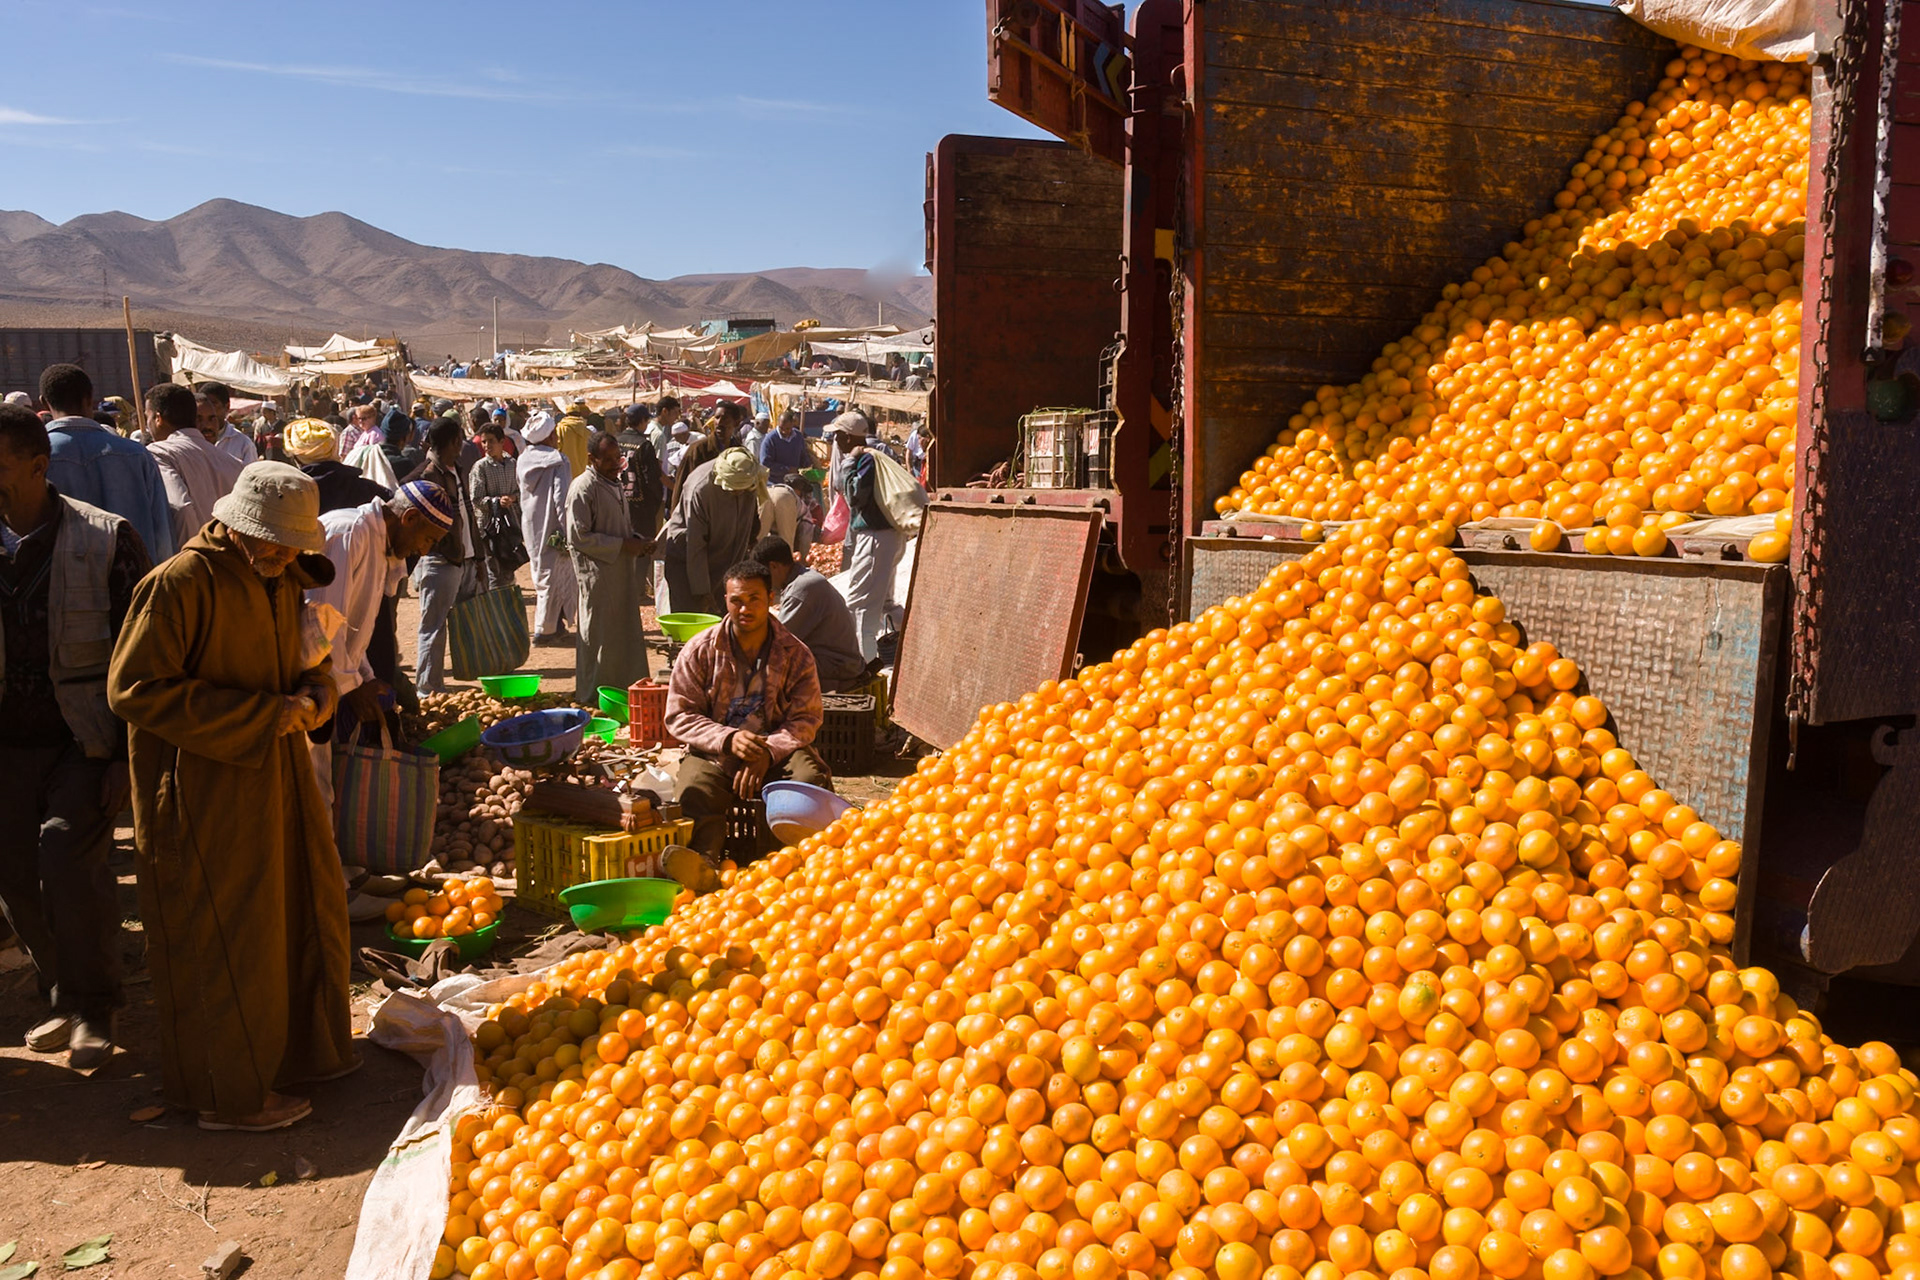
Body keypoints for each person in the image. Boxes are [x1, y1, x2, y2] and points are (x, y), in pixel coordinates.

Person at [108, 462, 355, 1132]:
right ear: (237, 525)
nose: (282, 555)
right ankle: (228, 1094)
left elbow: (311, 664)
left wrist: (315, 697)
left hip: (277, 776)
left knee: (299, 907)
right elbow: (133, 690)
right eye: (271, 542)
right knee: (226, 932)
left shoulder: (279, 577)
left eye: (291, 546)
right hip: (203, 789)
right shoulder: (179, 584)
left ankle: (296, 1054)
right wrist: (256, 716)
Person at [0, 404, 149, 1070]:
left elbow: (138, 658)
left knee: (64, 859)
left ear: (39, 467)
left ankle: (96, 1004)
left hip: (83, 739)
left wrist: (124, 752)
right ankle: (61, 995)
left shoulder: (106, 540)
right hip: (8, 744)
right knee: (14, 877)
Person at [665, 558, 828, 875]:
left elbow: (806, 718)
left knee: (809, 782)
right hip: (716, 752)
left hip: (778, 751)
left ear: (771, 598)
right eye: (736, 600)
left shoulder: (795, 653)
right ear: (724, 601)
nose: (745, 609)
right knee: (693, 789)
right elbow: (680, 713)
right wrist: (727, 739)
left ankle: (797, 866)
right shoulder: (700, 650)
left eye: (754, 599)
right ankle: (704, 866)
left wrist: (767, 751)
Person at [306, 481, 450, 805]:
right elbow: (320, 624)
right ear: (409, 518)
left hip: (330, 682)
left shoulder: (379, 544)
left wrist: (366, 678)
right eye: (428, 539)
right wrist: (353, 686)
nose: (424, 551)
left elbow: (354, 632)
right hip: (309, 685)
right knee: (312, 794)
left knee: (326, 792)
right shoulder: (350, 533)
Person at [39, 363, 174, 564]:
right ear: (89, 398)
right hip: (133, 585)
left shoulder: (37, 459)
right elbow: (162, 536)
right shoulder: (137, 455)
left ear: (43, 402)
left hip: (60, 587)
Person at [569, 432, 654, 700]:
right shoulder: (583, 488)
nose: (616, 463)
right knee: (599, 635)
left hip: (621, 571)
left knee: (623, 633)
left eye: (618, 458)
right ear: (592, 459)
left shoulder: (614, 483)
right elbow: (578, 537)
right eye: (608, 460)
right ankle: (592, 695)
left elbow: (621, 528)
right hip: (598, 574)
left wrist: (638, 542)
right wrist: (622, 545)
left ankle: (621, 690)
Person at [407, 420, 485, 694]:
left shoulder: (457, 470)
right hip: (440, 561)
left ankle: (437, 683)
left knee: (458, 622)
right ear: (453, 442)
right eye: (459, 440)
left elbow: (468, 517)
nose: (462, 445)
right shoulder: (424, 476)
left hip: (464, 559)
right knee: (434, 626)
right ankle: (427, 688)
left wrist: (479, 557)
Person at [659, 447, 766, 616]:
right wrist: (702, 591)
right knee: (693, 618)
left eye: (742, 489)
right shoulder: (701, 489)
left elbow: (751, 522)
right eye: (734, 490)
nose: (739, 493)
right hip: (688, 560)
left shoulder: (751, 474)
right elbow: (695, 545)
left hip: (725, 555)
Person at [835, 414, 908, 661]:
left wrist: (847, 465)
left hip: (876, 538)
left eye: (837, 435)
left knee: (860, 607)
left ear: (847, 437)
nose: (834, 440)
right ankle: (907, 651)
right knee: (887, 603)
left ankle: (863, 667)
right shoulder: (880, 454)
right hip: (889, 536)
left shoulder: (865, 459)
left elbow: (855, 497)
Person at [753, 535, 867, 693]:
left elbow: (776, 641)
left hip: (839, 668)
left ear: (774, 566)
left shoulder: (801, 589)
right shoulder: (804, 577)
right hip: (841, 662)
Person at [145, 383, 247, 550]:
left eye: (147, 416)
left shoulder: (159, 454)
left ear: (158, 419)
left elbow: (180, 508)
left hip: (196, 563)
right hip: (231, 561)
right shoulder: (233, 463)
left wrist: (190, 558)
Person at [518, 411, 577, 642]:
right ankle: (545, 629)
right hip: (554, 526)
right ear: (551, 435)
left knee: (542, 572)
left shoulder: (523, 459)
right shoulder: (558, 460)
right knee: (555, 576)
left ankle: (556, 624)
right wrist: (569, 529)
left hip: (532, 524)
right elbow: (562, 500)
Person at [468, 423, 521, 591]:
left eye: (491, 441)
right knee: (493, 567)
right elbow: (476, 499)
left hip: (510, 525)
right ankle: (497, 602)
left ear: (501, 441)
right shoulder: (480, 467)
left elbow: (521, 492)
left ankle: (508, 595)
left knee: (509, 564)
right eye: (484, 442)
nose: (487, 446)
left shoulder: (512, 464)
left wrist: (513, 498)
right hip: (489, 527)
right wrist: (497, 502)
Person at [196, 383, 259, 466]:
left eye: (213, 404)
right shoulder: (191, 439)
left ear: (227, 407)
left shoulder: (243, 444)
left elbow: (250, 476)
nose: (209, 409)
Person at [759, 408, 811, 485]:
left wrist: (807, 466)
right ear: (777, 424)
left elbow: (803, 455)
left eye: (788, 428)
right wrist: (787, 469)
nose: (784, 431)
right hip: (775, 483)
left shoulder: (798, 436)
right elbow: (765, 463)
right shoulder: (770, 439)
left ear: (792, 424)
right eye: (781, 428)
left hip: (794, 482)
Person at [554, 404, 593, 479]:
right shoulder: (587, 431)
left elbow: (557, 448)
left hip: (565, 473)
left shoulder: (561, 428)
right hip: (582, 474)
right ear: (579, 414)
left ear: (566, 414)